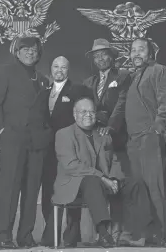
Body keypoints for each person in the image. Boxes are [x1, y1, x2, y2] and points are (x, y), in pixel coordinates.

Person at [52, 97, 153, 248]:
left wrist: (114, 179)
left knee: (134, 183)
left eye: (92, 111)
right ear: (75, 114)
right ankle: (103, 233)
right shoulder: (63, 134)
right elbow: (71, 165)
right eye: (83, 111)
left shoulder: (103, 135)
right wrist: (103, 178)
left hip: (101, 184)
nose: (88, 115)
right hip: (73, 185)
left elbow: (114, 161)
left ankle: (134, 234)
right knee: (91, 181)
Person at [0, 36, 53, 249]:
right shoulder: (5, 72)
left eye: (34, 50)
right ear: (17, 52)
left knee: (32, 191)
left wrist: (45, 134)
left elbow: (44, 113)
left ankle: (25, 236)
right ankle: (4, 236)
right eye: (25, 49)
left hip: (36, 143)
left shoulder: (42, 79)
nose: (30, 53)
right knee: (9, 189)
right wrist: (2, 130)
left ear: (38, 53)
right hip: (13, 139)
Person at [125, 37, 166, 247]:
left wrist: (156, 129)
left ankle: (160, 235)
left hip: (150, 137)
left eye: (141, 50)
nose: (136, 53)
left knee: (154, 187)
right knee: (140, 188)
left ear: (150, 54)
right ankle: (144, 234)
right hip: (134, 141)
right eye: (133, 50)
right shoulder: (133, 77)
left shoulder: (159, 71)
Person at [83, 38, 132, 238]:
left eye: (104, 54)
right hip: (94, 139)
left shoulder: (123, 76)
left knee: (116, 181)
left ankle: (118, 228)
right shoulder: (89, 82)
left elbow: (121, 105)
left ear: (112, 57)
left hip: (116, 137)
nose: (100, 58)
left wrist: (110, 127)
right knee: (98, 181)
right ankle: (101, 230)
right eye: (96, 56)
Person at [40, 56, 91, 247]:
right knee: (48, 192)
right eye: (55, 66)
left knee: (72, 191)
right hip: (48, 152)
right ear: (51, 69)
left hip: (71, 149)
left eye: (63, 67)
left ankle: (72, 235)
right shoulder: (43, 93)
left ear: (68, 70)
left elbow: (84, 117)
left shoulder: (78, 90)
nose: (59, 70)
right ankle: (50, 234)